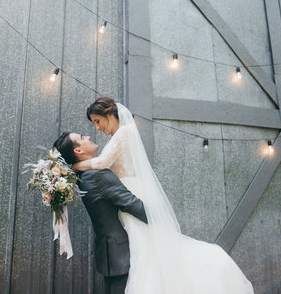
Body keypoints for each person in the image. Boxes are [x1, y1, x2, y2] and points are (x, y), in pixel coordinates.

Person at [70, 97, 254, 293]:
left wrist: (73, 166)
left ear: (108, 114)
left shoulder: (125, 132)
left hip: (130, 192)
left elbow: (101, 163)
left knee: (147, 253)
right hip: (125, 192)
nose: (96, 128)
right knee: (146, 252)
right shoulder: (118, 135)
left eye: (97, 121)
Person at [53, 132, 148, 294]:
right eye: (82, 138)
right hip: (122, 255)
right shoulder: (97, 175)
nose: (88, 137)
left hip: (113, 254)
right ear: (79, 151)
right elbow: (133, 205)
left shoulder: (85, 174)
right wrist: (160, 217)